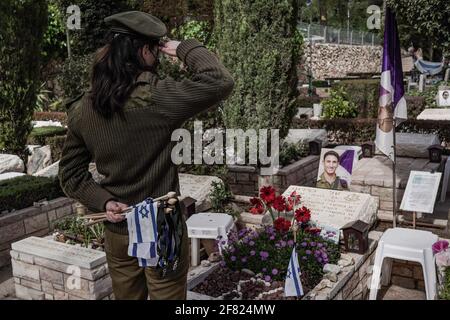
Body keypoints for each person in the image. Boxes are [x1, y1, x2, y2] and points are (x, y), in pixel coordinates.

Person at [58, 11, 234, 300]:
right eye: (156, 52)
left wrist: (103, 201)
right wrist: (184, 48)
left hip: (119, 230)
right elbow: (220, 81)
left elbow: (70, 175)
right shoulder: (157, 97)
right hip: (164, 228)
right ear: (144, 51)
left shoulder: (83, 109)